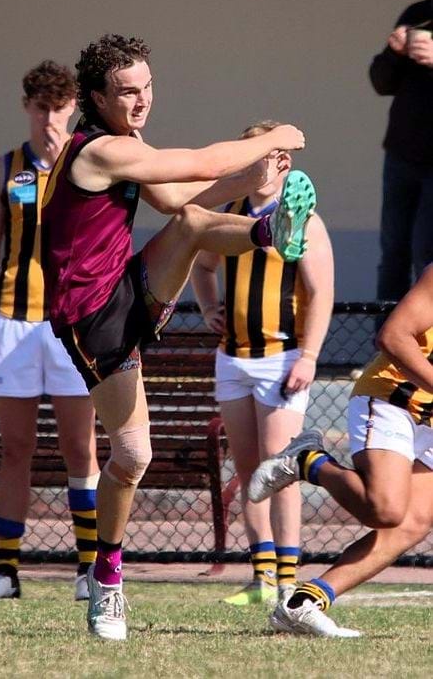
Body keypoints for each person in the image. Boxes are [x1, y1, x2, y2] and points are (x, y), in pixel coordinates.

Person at [40, 33, 313, 640]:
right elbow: (199, 163)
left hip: (128, 285)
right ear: (94, 97)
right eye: (126, 91)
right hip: (92, 316)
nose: (140, 101)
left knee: (191, 223)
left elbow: (177, 200)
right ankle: (106, 578)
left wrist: (250, 175)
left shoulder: (128, 143)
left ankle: (269, 232)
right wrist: (271, 138)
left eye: (147, 87)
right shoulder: (98, 151)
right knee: (134, 456)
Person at [0, 61, 98, 602]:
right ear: (27, 107)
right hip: (13, 322)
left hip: (72, 322)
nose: (49, 119)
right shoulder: (5, 168)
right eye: (40, 107)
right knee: (16, 447)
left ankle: (89, 570)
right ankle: (6, 572)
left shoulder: (89, 162)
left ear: (73, 109)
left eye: (59, 108)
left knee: (79, 449)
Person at [190, 123, 335, 606]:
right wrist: (209, 306)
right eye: (249, 157)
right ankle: (261, 577)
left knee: (281, 469)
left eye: (266, 157)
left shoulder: (304, 220)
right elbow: (203, 264)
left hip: (283, 359)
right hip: (233, 357)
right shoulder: (228, 215)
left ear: (283, 163)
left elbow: (320, 293)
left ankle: (290, 579)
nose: (256, 166)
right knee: (249, 469)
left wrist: (310, 356)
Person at [248, 263, 433, 638]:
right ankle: (308, 461)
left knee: (412, 523)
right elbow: (393, 336)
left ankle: (303, 604)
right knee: (385, 509)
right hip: (392, 398)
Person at [370, 0, 433, 303]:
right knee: (393, 254)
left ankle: (424, 347)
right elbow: (381, 82)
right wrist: (394, 52)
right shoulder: (416, 14)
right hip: (402, 156)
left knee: (427, 255)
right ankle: (385, 350)